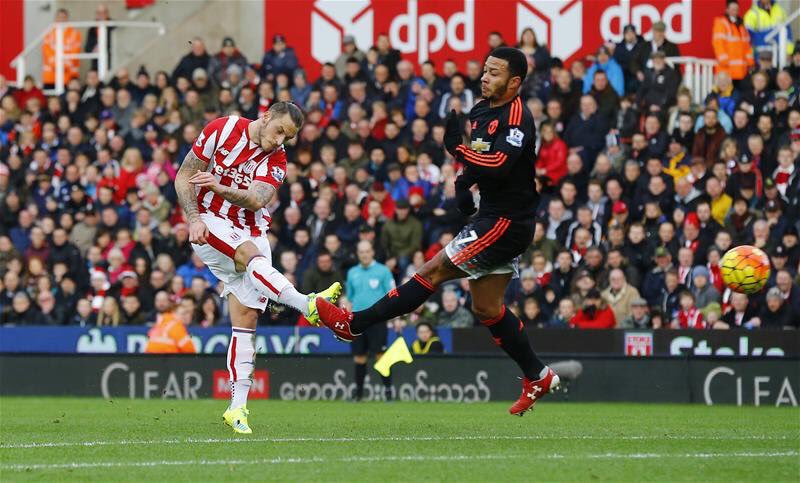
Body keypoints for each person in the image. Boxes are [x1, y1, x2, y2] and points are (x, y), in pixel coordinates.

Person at [316, 47, 561, 416]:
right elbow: (480, 161)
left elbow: (499, 163)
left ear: (515, 82)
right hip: (491, 216)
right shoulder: (481, 109)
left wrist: (458, 151)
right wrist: (463, 184)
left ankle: (355, 323)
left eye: (494, 73)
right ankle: (538, 374)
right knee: (487, 307)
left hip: (506, 222)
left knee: (432, 270)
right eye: (485, 70)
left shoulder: (518, 116)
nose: (484, 77)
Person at [174, 102, 342, 434]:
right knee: (250, 257)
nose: (281, 140)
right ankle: (306, 303)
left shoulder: (277, 159)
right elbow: (183, 175)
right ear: (265, 117)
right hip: (208, 224)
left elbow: (256, 200)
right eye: (279, 131)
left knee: (246, 321)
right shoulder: (221, 128)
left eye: (288, 137)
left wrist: (217, 186)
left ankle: (237, 409)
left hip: (252, 229)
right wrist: (193, 217)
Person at [346, 240, 396, 401]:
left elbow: (392, 295)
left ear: (372, 252)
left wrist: (396, 317)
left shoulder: (383, 271)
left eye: (367, 251)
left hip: (377, 320)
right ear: (358, 254)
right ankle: (359, 394)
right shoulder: (352, 272)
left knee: (381, 355)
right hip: (357, 320)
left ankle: (388, 392)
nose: (364, 254)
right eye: (361, 252)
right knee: (359, 357)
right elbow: (349, 298)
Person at [712, 0, 754, 83]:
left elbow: (746, 45)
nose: (735, 11)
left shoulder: (741, 25)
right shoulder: (722, 23)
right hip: (728, 69)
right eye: (732, 9)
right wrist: (724, 61)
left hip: (742, 70)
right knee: (728, 93)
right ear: (727, 10)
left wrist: (750, 62)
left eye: (736, 9)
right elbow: (718, 43)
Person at [42, 9, 82, 88]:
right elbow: (47, 52)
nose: (61, 20)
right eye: (59, 17)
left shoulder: (75, 34)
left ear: (67, 18)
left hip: (69, 75)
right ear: (55, 18)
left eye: (63, 17)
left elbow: (75, 52)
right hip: (51, 76)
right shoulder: (48, 33)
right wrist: (57, 64)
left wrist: (63, 64)